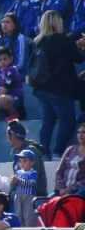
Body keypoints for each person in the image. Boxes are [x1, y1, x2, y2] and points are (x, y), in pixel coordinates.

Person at [32, 11, 84, 158]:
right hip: (60, 89)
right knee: (68, 121)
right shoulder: (62, 39)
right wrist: (81, 46)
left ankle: (43, 153)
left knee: (47, 122)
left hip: (41, 88)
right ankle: (58, 152)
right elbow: (78, 58)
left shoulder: (38, 41)